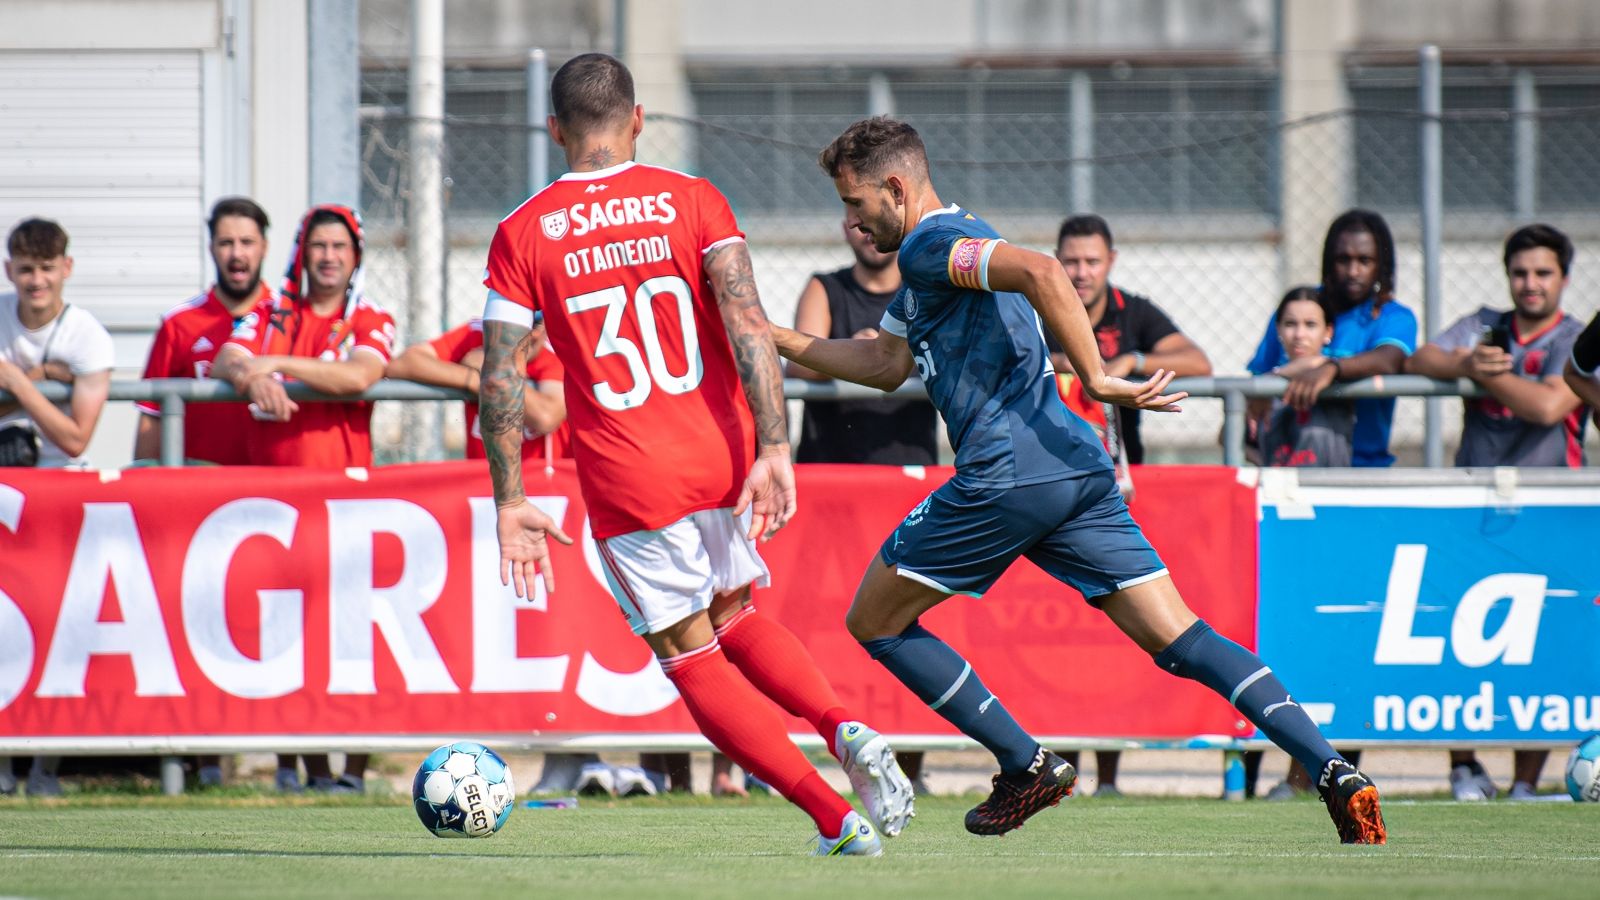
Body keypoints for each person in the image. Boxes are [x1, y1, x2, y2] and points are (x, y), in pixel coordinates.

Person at [770, 116, 1385, 843]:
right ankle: (1333, 770)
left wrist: (1094, 375)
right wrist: (768, 335)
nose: (852, 221)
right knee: (1181, 637)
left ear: (897, 189)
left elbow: (1043, 271)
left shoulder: (931, 244)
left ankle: (1024, 763)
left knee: (875, 621)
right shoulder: (944, 251)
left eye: (856, 202)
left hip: (1006, 472)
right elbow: (883, 364)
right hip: (1074, 466)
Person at [479, 53, 911, 857]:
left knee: (688, 651)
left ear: (554, 130)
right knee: (736, 613)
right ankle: (841, 725)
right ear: (639, 119)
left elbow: (500, 373)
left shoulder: (523, 230)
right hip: (719, 449)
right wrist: (775, 445)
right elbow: (748, 322)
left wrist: (509, 499)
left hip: (629, 474)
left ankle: (835, 819)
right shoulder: (695, 197)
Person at [212, 203, 397, 793]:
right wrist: (250, 375)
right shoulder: (271, 312)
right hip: (274, 509)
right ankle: (313, 773)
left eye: (340, 247)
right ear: (302, 252)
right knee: (290, 641)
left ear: (356, 255)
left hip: (347, 506)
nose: (328, 257)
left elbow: (359, 376)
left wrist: (276, 365)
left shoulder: (370, 315)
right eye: (319, 246)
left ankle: (354, 776)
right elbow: (227, 355)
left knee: (355, 643)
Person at [1406, 223, 1588, 801]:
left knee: (1540, 642)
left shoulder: (1575, 339)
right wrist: (1466, 362)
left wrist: (1490, 375)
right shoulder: (1487, 325)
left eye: (1543, 273)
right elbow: (1420, 357)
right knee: (1454, 633)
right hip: (1473, 506)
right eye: (1520, 272)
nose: (1530, 283)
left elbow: (1550, 405)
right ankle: (1465, 767)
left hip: (1549, 509)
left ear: (1564, 277)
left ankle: (1526, 781)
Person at [1048, 214, 1213, 793]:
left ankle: (1111, 776)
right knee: (1056, 645)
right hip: (1045, 494)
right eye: (1071, 261)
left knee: (1117, 639)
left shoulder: (1132, 312)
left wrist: (1129, 364)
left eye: (1091, 261)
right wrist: (1065, 367)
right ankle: (1060, 768)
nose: (1081, 272)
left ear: (1111, 262)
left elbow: (1198, 363)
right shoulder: (1041, 307)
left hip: (1112, 498)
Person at [134, 196, 275, 788]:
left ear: (264, 247)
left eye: (246, 242)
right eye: (226, 242)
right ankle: (205, 759)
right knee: (202, 626)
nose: (236, 254)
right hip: (200, 507)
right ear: (212, 247)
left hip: (274, 503)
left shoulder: (286, 317)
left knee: (275, 628)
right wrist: (148, 487)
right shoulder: (180, 324)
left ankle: (287, 760)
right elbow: (150, 420)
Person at [0, 217, 115, 796]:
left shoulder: (87, 335)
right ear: (9, 270)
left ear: (66, 268)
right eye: (26, 269)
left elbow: (74, 438)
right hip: (6, 495)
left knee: (55, 630)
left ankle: (45, 767)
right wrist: (43, 380)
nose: (36, 281)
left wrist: (19, 384)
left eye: (47, 268)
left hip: (58, 500)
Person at [1247, 210, 1416, 467]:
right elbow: (1257, 387)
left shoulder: (1393, 316)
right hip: (1288, 470)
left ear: (1381, 264)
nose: (1353, 271)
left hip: (1361, 467)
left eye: (1364, 260)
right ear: (1328, 261)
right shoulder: (1300, 308)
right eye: (1343, 260)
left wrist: (1332, 369)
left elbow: (1388, 359)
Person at [790, 211, 937, 466]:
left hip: (911, 467)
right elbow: (798, 364)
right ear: (845, 230)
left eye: (878, 220)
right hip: (832, 467)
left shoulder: (924, 292)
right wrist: (852, 354)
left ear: (901, 228)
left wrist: (888, 354)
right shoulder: (823, 288)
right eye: (859, 224)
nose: (869, 232)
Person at [386, 314, 571, 462]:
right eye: (520, 325)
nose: (534, 335)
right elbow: (401, 364)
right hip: (482, 480)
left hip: (544, 484)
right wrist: (472, 379)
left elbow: (546, 417)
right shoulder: (477, 335)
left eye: (537, 324)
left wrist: (491, 371)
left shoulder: (557, 349)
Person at [1256, 286, 1354, 468]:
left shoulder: (1335, 372)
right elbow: (1226, 436)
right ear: (1278, 329)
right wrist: (1264, 466)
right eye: (1290, 324)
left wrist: (1270, 379)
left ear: (1328, 331)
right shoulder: (1266, 387)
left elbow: (1317, 362)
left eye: (1310, 325)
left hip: (1327, 484)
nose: (1299, 335)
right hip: (1281, 485)